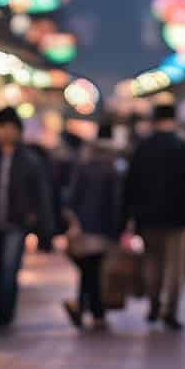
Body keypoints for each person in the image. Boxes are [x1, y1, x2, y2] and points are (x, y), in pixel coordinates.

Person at [0, 108, 55, 326]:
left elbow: (41, 195)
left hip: (17, 222)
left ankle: (5, 313)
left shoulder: (30, 161)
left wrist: (44, 228)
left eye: (10, 128)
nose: (6, 132)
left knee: (9, 267)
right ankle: (0, 308)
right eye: (2, 127)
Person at [123, 102, 185, 329]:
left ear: (154, 120)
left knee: (152, 260)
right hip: (179, 216)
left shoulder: (143, 147)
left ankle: (154, 302)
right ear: (174, 119)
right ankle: (170, 310)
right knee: (175, 266)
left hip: (148, 216)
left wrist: (130, 214)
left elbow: (131, 184)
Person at [61, 122, 127, 330]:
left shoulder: (84, 164)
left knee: (88, 269)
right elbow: (117, 201)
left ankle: (84, 308)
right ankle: (94, 311)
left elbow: (71, 197)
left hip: (83, 226)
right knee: (95, 269)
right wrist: (119, 228)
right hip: (104, 227)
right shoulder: (116, 166)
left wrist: (73, 221)